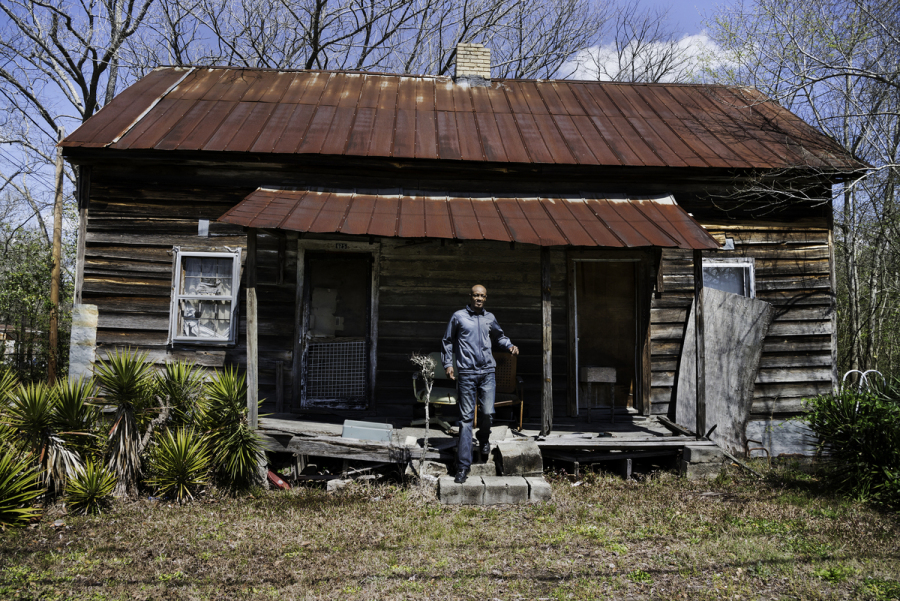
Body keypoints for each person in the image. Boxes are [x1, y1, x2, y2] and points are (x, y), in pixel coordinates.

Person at [441, 285, 519, 484]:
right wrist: (448, 364)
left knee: (487, 412)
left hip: (487, 373)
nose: (479, 299)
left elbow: (499, 336)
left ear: (486, 298)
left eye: (482, 296)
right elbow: (448, 341)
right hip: (466, 373)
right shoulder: (458, 317)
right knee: (465, 419)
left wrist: (509, 345)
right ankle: (463, 467)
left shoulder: (489, 318)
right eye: (476, 295)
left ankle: (484, 439)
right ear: (470, 296)